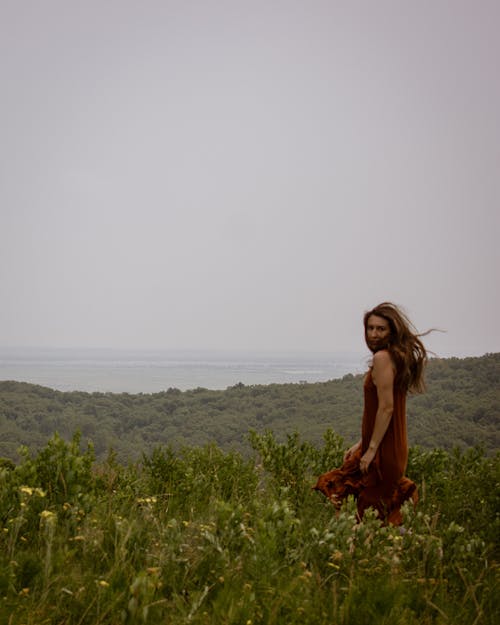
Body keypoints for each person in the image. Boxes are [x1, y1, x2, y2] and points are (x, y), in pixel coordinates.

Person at [313, 302, 429, 526]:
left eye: (381, 329)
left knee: (367, 512)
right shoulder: (394, 358)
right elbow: (381, 409)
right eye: (370, 328)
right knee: (370, 503)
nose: (374, 334)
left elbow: (387, 408)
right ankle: (393, 544)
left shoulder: (382, 358)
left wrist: (372, 449)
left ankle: (373, 552)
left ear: (392, 332)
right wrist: (361, 444)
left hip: (384, 450)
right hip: (386, 445)